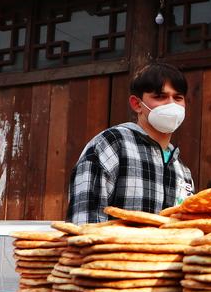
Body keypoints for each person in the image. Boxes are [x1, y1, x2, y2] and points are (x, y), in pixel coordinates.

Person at [67, 62, 194, 224]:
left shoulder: (183, 170)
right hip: (115, 249)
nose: (171, 104)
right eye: (160, 97)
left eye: (178, 98)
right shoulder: (111, 144)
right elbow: (84, 224)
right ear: (137, 104)